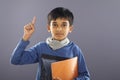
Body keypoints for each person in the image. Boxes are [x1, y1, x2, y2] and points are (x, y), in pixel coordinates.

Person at [10, 7, 90, 80]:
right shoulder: (41, 48)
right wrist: (26, 37)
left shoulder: (75, 50)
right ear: (49, 28)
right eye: (54, 25)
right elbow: (15, 60)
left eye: (64, 25)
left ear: (70, 28)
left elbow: (85, 76)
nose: (59, 29)